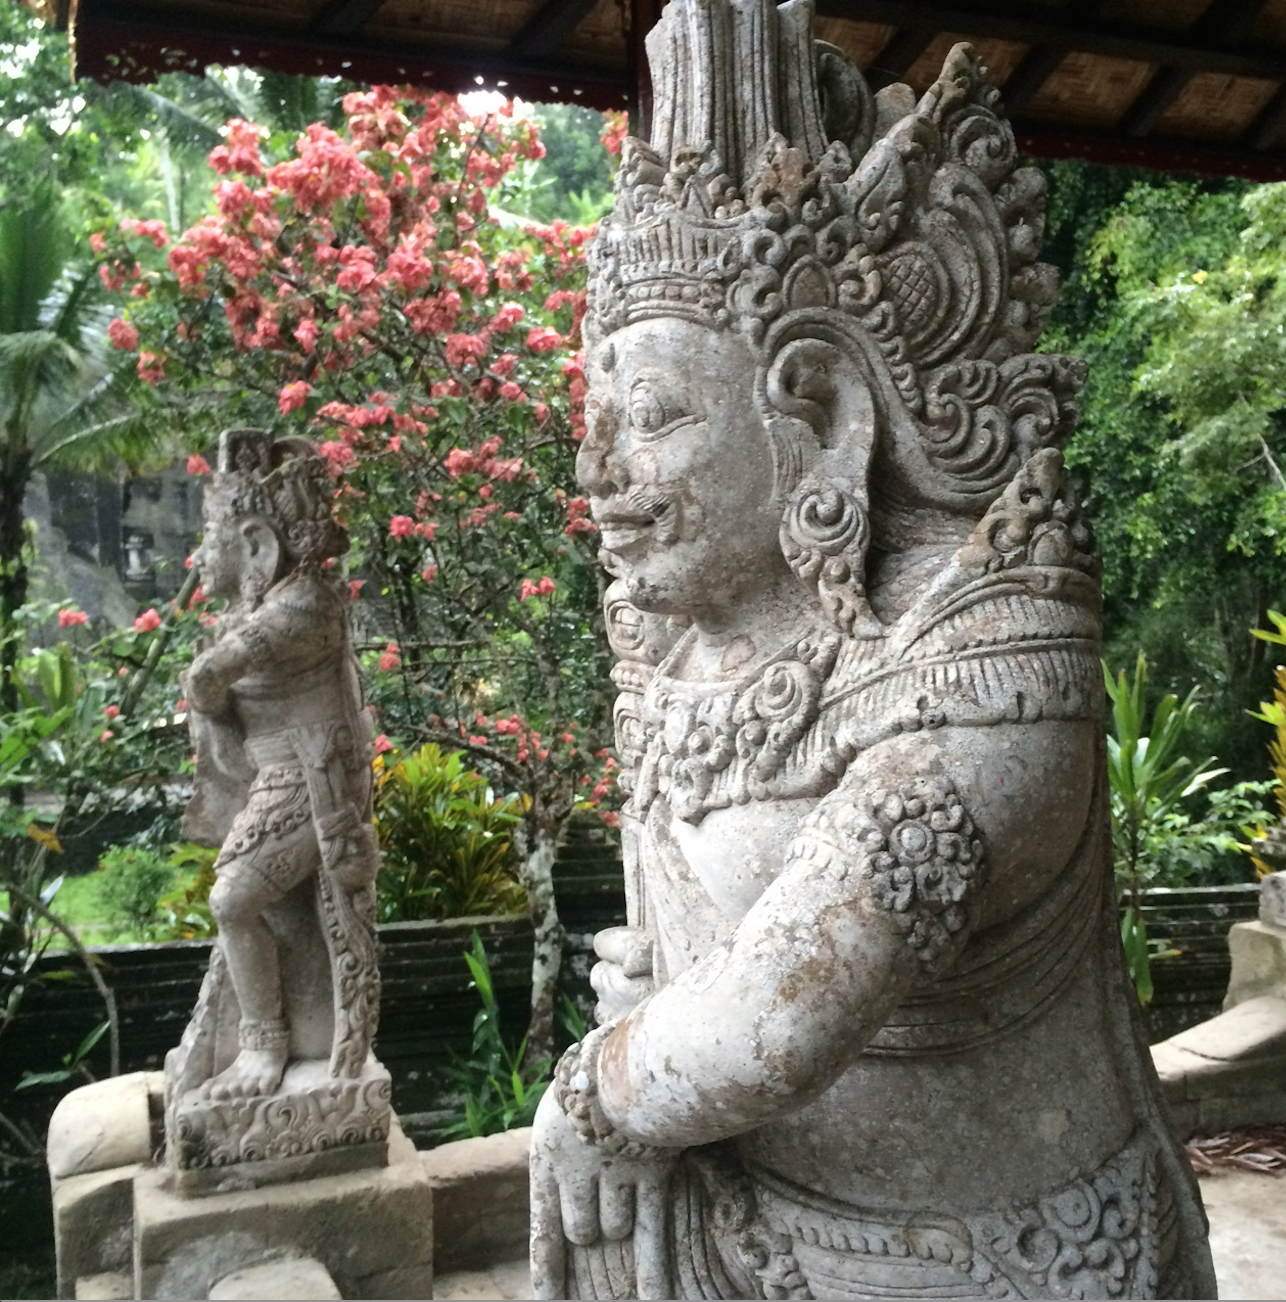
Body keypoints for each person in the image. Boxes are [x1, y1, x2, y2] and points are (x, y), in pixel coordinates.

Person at [529, 4, 1216, 1298]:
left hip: (1006, 1267)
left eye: (655, 414)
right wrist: (660, 994)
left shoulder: (984, 655)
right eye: (596, 416)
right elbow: (715, 970)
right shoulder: (677, 658)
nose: (598, 474)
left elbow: (775, 1020)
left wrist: (597, 1090)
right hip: (741, 1239)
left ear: (821, 412)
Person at [166, 430, 380, 1112]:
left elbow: (208, 677)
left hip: (313, 782)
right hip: (276, 778)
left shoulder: (303, 605)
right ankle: (255, 1037)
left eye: (210, 540)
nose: (200, 558)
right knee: (245, 907)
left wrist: (208, 687)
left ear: (256, 544)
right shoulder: (260, 607)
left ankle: (264, 1044)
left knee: (232, 901)